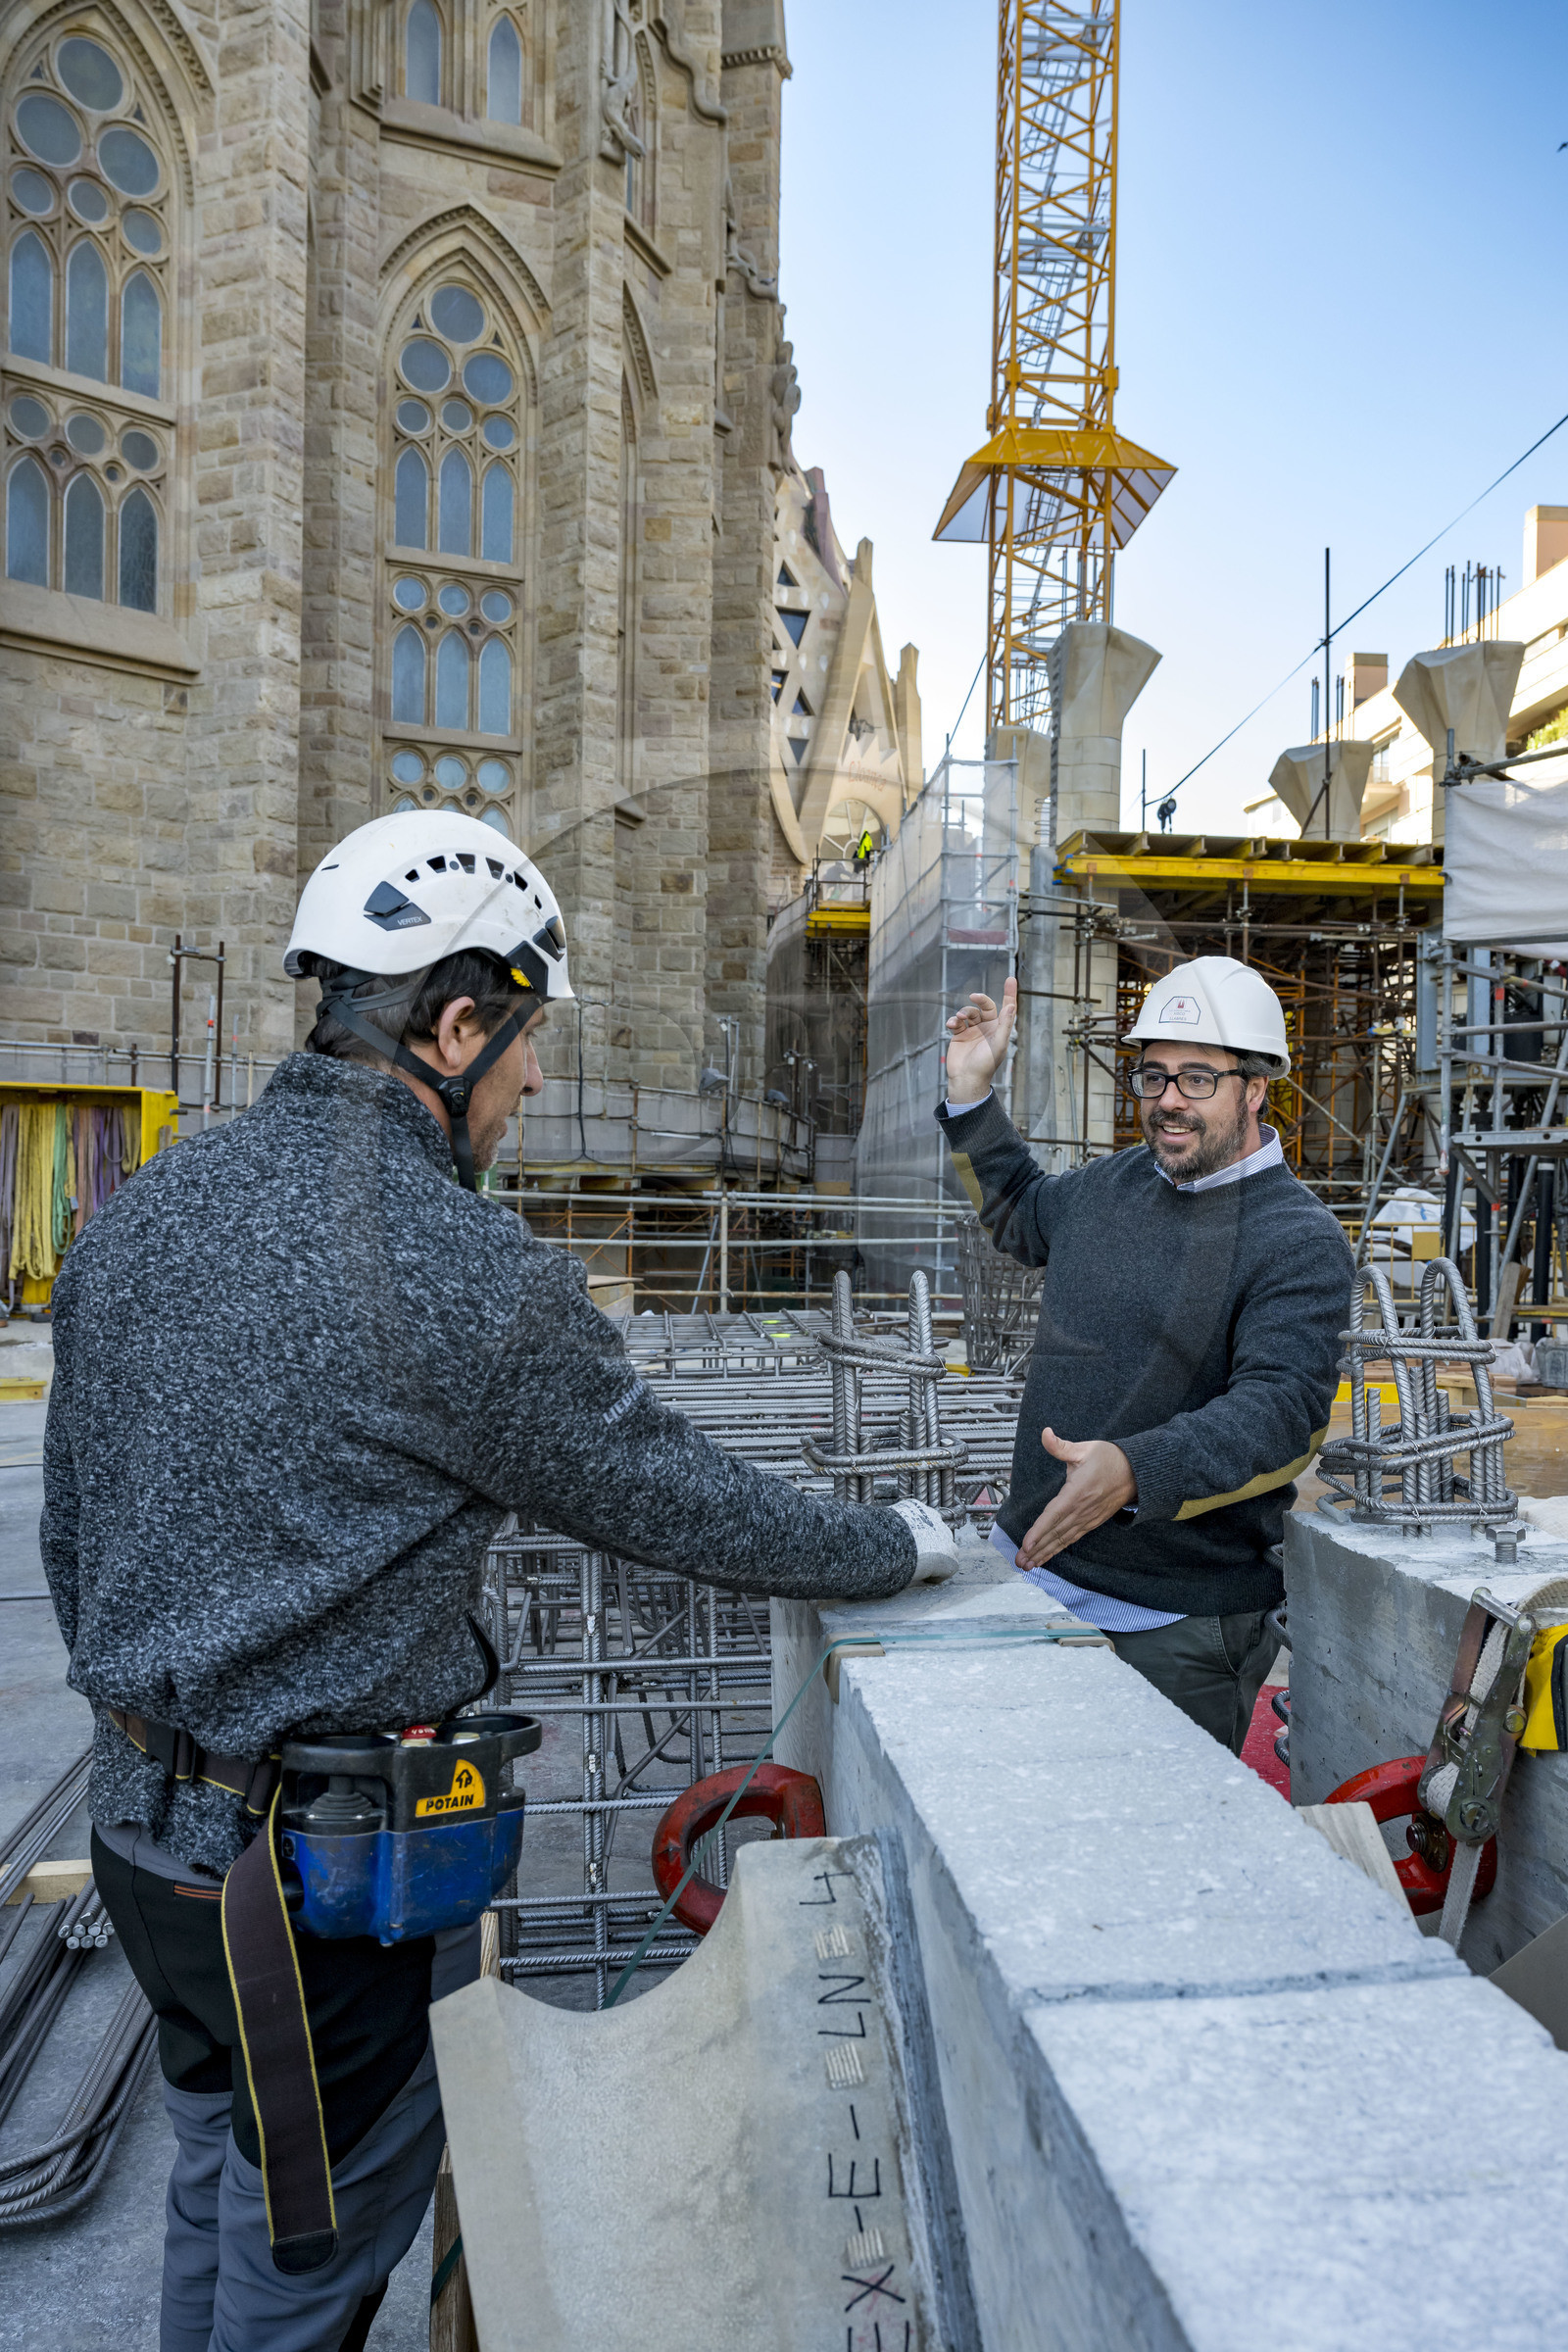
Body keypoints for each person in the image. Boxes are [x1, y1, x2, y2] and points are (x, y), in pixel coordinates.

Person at [40, 811, 951, 2352]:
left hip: (141, 1843)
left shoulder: (143, 1216)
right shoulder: (461, 1271)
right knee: (307, 2267)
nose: (532, 1083)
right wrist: (898, 1545)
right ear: (455, 1026)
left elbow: (72, 1533)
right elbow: (670, 1497)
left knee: (220, 2176)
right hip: (308, 1897)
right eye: (522, 1043)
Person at [938, 954, 1350, 1753]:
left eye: (1198, 1078)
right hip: (1026, 1579)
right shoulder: (1112, 1186)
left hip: (1170, 1625)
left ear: (1256, 1086)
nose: (1168, 1100)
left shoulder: (1296, 1238)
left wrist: (1136, 1470)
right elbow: (1020, 1211)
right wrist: (971, 1093)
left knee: (1154, 1863)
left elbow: (1285, 1419)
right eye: (1153, 1075)